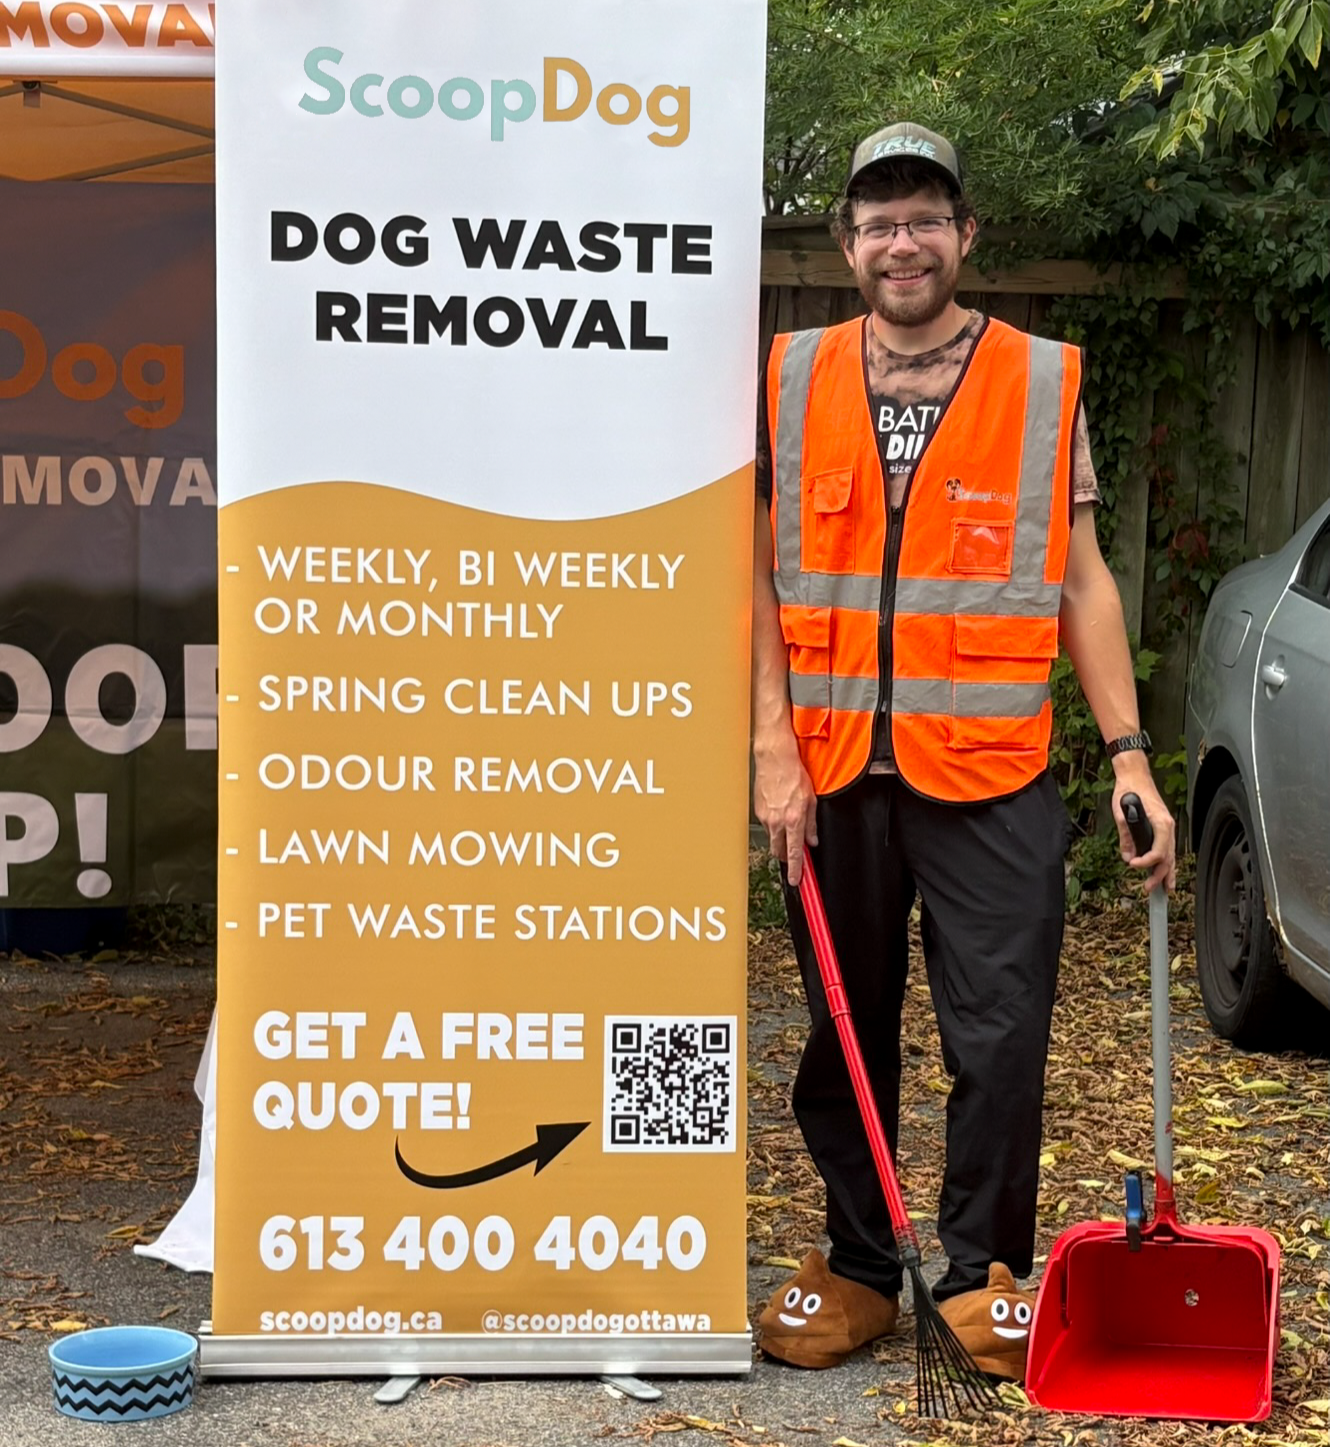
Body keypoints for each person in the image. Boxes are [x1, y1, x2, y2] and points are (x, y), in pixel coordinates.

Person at [751, 122, 1175, 1376]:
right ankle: (860, 1265)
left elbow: (1083, 584)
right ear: (843, 246)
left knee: (1001, 1033)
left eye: (924, 215)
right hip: (828, 770)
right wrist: (772, 745)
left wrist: (1132, 756)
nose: (902, 240)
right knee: (843, 1025)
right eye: (877, 219)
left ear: (965, 235)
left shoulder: (1041, 382)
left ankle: (983, 1268)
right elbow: (757, 583)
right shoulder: (790, 374)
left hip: (992, 775)